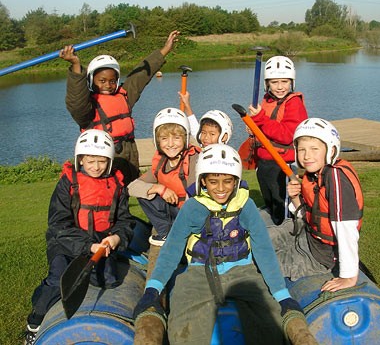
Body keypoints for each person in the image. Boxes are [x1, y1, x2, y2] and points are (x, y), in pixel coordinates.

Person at [133, 144, 307, 345]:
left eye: (228, 181)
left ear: (236, 181)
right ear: (203, 181)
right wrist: (153, 289)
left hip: (243, 273)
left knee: (271, 326)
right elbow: (171, 250)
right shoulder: (192, 208)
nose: (221, 188)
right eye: (213, 182)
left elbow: (264, 250)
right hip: (197, 274)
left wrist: (282, 295)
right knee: (183, 331)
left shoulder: (246, 206)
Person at [24, 129, 135, 345]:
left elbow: (125, 221)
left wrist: (116, 239)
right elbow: (57, 225)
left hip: (100, 243)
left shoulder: (117, 186)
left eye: (102, 161)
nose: (96, 167)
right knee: (59, 280)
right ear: (80, 160)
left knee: (109, 281)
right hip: (66, 243)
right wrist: (87, 246)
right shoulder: (68, 184)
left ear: (109, 161)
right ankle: (34, 322)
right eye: (90, 161)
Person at [59, 30, 180, 185]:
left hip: (130, 153)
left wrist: (165, 49)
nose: (107, 85)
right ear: (91, 80)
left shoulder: (124, 95)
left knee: (131, 191)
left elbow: (141, 76)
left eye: (112, 80)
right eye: (101, 81)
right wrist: (76, 64)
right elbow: (75, 100)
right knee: (110, 196)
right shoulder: (87, 107)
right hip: (105, 157)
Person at [269, 118, 364, 292]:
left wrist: (348, 276)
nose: (307, 156)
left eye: (314, 149)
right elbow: (306, 216)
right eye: (302, 149)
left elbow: (345, 227)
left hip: (320, 256)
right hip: (306, 235)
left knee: (264, 265)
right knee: (258, 242)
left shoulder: (335, 178)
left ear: (331, 149)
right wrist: (296, 197)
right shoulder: (313, 175)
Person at [248, 56, 308, 225]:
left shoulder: (294, 103)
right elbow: (265, 126)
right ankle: (272, 229)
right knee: (270, 202)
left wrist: (260, 119)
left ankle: (288, 234)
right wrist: (254, 125)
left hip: (283, 164)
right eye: (274, 82)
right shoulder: (267, 100)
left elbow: (288, 135)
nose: (280, 87)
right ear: (267, 84)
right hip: (265, 162)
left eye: (284, 81)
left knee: (283, 206)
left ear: (292, 81)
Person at [127, 107, 200, 246]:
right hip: (174, 211)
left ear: (185, 138)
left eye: (177, 138)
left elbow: (194, 198)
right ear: (157, 141)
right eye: (164, 139)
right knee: (145, 193)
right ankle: (166, 233)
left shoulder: (193, 159)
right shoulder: (161, 162)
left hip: (191, 214)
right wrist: (159, 188)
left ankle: (181, 235)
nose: (171, 144)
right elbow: (131, 188)